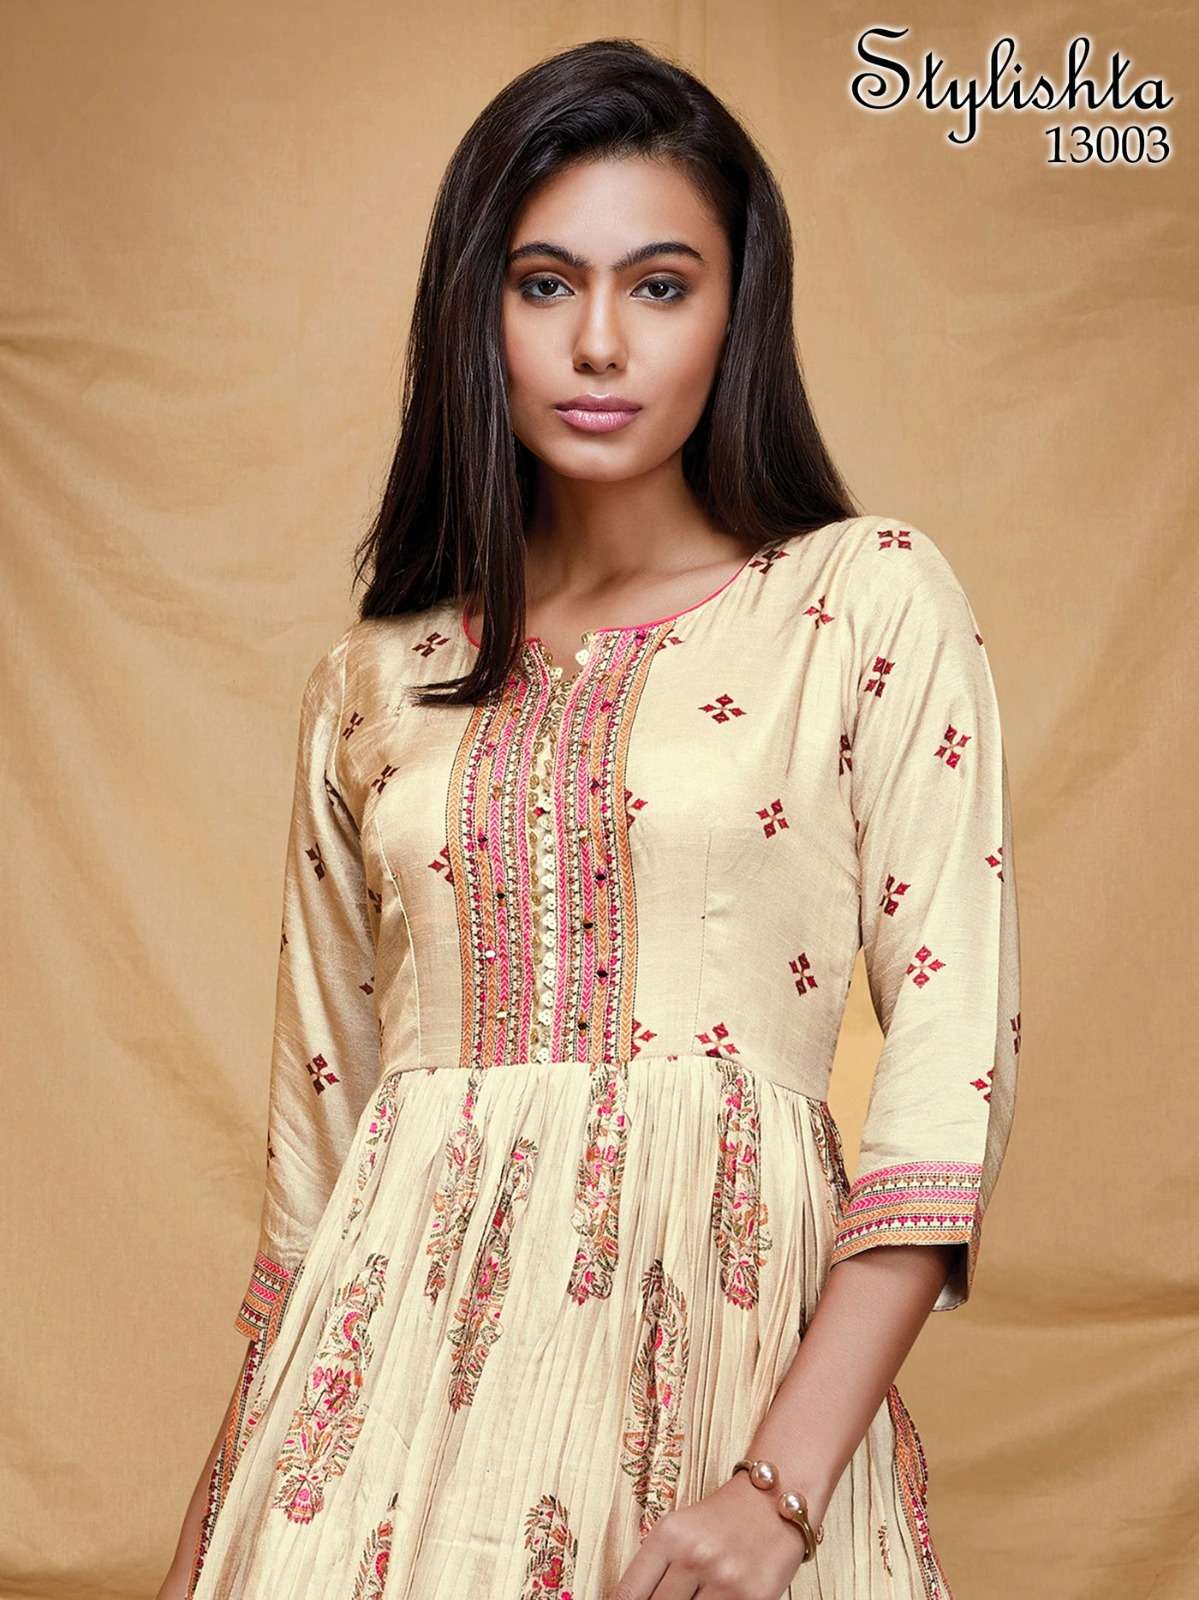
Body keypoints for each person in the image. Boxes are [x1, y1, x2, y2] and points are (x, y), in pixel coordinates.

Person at [158, 36, 1021, 1600]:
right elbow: (318, 1157)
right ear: (474, 313)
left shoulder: (858, 601)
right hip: (378, 1453)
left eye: (662, 285)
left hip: (724, 1414)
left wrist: (778, 1491)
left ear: (736, 314)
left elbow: (946, 1074)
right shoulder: (375, 678)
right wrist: (217, 1535)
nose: (601, 342)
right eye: (545, 284)